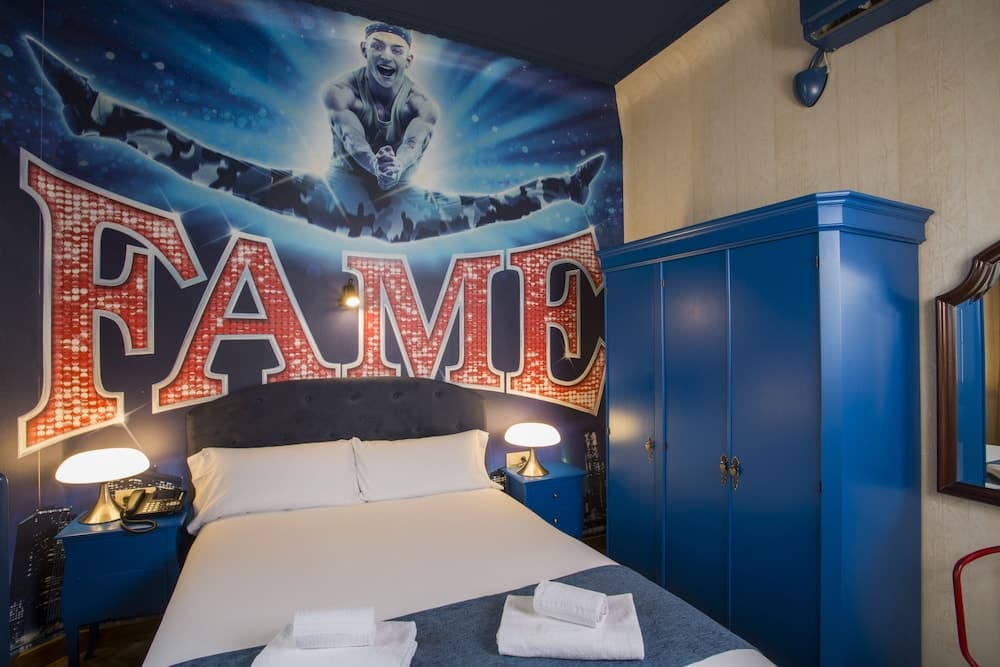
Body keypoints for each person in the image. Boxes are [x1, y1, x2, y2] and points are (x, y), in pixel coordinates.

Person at [26, 25, 605, 242]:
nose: (386, 56)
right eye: (378, 47)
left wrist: (399, 167)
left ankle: (568, 187)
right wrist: (371, 161)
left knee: (490, 208)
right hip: (336, 196)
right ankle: (100, 113)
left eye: (396, 50)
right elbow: (350, 134)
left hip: (402, 209)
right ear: (365, 49)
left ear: (408, 58)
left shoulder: (422, 105)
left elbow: (414, 142)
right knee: (222, 170)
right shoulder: (340, 90)